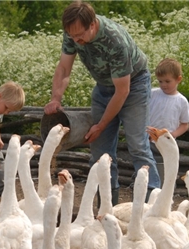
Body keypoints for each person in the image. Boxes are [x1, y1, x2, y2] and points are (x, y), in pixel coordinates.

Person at [44, 1, 161, 205]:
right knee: (100, 150)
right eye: (72, 36)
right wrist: (56, 98)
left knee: (137, 144)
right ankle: (107, 205)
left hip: (133, 85)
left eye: (79, 35)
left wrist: (102, 124)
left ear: (92, 25)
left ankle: (153, 205)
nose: (76, 40)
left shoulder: (114, 40)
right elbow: (63, 68)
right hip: (104, 85)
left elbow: (122, 91)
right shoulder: (73, 32)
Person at [149, 58, 189, 185]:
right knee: (147, 165)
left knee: (164, 168)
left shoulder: (181, 101)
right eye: (160, 81)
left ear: (178, 79)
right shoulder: (153, 94)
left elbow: (185, 124)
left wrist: (172, 135)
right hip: (148, 140)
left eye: (168, 81)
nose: (163, 85)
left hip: (167, 144)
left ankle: (162, 191)